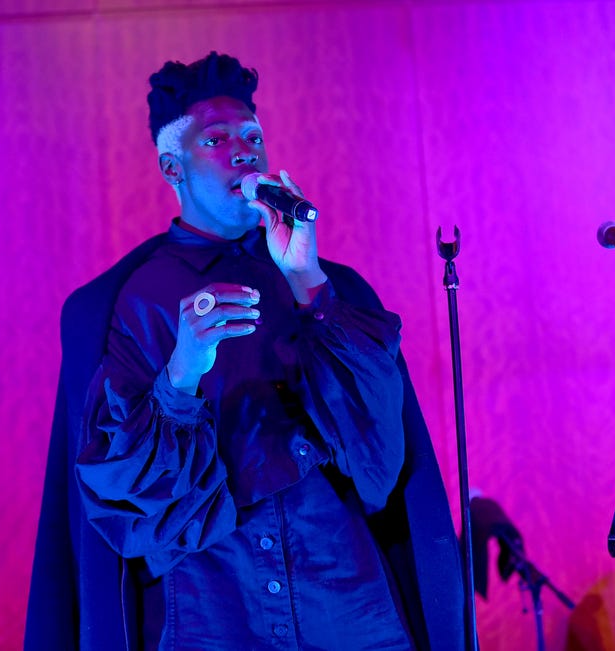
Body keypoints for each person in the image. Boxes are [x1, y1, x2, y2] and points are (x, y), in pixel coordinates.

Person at [25, 52, 464, 651]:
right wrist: (181, 374)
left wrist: (310, 283)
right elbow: (123, 491)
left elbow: (380, 461)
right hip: (213, 598)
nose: (244, 150)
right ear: (171, 165)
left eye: (253, 136)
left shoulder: (328, 284)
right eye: (218, 138)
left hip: (343, 590)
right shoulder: (123, 303)